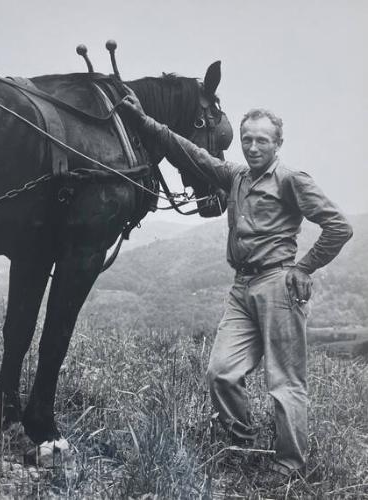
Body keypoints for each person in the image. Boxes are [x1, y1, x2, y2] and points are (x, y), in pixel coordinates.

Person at [121, 94, 353, 476]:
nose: (253, 146)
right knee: (221, 372)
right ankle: (241, 442)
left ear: (278, 144)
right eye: (247, 139)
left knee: (285, 382)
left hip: (279, 285)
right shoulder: (237, 177)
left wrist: (304, 268)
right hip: (241, 288)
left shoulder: (292, 180)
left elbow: (339, 227)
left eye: (263, 140)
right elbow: (190, 153)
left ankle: (289, 465)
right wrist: (143, 120)